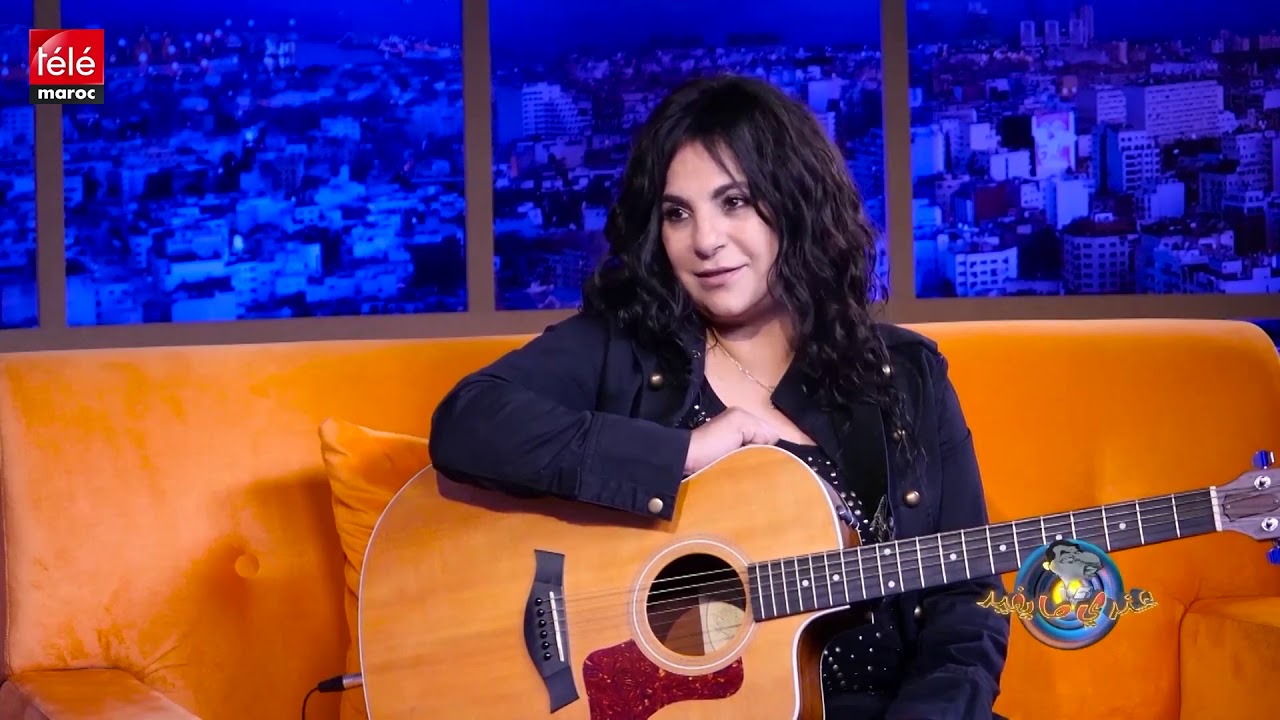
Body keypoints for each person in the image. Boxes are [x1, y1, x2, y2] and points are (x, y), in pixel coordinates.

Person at [428, 73, 1010, 720]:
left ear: (797, 203)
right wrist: (683, 452)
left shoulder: (905, 374)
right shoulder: (622, 349)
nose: (704, 240)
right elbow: (465, 422)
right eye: (677, 213)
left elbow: (968, 605)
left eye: (734, 202)